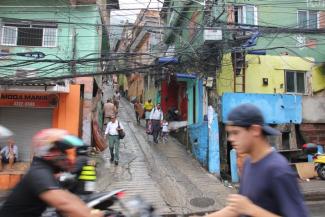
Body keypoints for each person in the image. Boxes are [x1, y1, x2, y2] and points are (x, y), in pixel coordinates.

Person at [207, 104, 309, 217]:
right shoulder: (248, 163)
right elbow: (237, 208)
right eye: (229, 133)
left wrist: (251, 209)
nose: (230, 138)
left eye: (235, 132)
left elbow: (246, 207)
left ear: (255, 130)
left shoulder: (278, 170)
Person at [0, 128, 104, 217]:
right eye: (61, 151)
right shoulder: (39, 173)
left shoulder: (47, 172)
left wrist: (92, 211)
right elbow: (65, 203)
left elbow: (69, 198)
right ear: (48, 152)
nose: (66, 156)